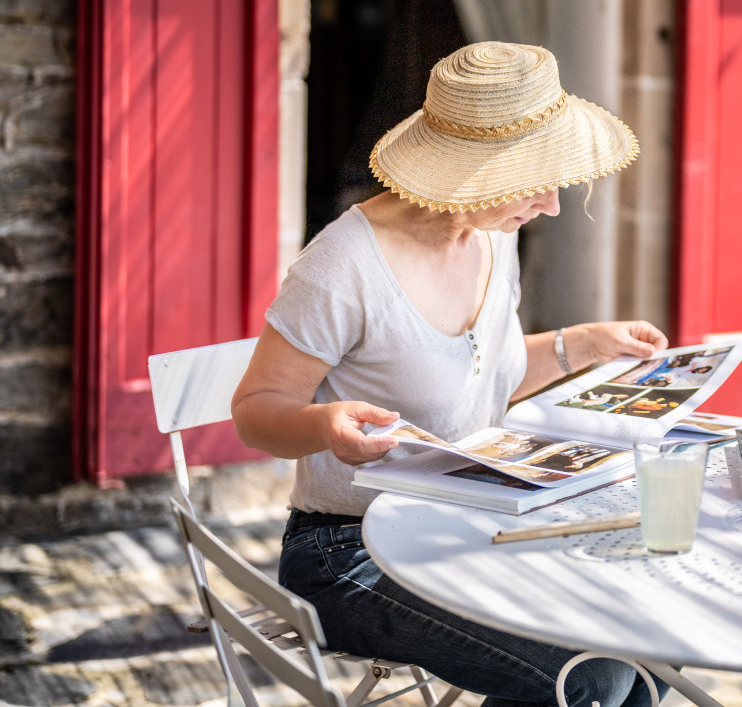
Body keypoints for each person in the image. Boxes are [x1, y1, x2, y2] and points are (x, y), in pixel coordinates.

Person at [232, 42, 668, 707]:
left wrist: (583, 344)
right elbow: (256, 409)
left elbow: (479, 371)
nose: (552, 204)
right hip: (348, 552)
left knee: (649, 647)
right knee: (589, 676)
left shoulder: (495, 236)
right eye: (536, 179)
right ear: (476, 173)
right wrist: (322, 424)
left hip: (468, 522)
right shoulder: (343, 265)